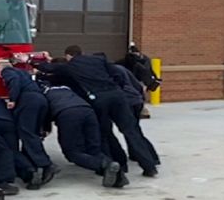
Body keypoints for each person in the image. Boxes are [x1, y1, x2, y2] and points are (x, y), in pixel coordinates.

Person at [35, 46, 159, 178]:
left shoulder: (70, 66)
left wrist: (33, 61)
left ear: (68, 56)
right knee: (131, 131)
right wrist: (116, 88)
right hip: (117, 96)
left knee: (105, 133)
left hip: (98, 99)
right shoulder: (99, 59)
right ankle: (149, 166)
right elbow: (116, 74)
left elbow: (48, 68)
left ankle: (119, 166)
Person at [42, 81, 124, 187]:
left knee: (72, 152)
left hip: (67, 114)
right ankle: (119, 177)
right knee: (94, 150)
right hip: (88, 111)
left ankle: (104, 165)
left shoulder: (44, 94)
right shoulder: (66, 88)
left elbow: (44, 115)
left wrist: (44, 129)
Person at [0, 60, 59, 186]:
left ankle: (45, 164)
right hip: (40, 100)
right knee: (33, 133)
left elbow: (14, 81)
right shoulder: (23, 72)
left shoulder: (7, 71)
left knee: (26, 133)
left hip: (28, 102)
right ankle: (34, 165)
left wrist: (12, 100)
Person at [107, 60, 161, 166]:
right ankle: (140, 154)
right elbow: (138, 86)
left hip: (126, 103)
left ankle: (148, 158)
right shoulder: (123, 70)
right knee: (135, 130)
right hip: (136, 100)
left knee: (131, 131)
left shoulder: (107, 72)